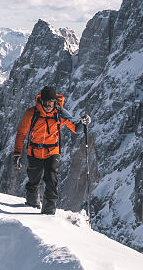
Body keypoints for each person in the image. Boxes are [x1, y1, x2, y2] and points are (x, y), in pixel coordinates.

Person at [12, 85, 91, 214]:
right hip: (34, 152)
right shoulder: (31, 113)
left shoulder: (60, 113)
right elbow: (21, 133)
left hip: (52, 152)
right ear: (41, 101)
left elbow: (75, 127)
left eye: (51, 103)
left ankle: (48, 214)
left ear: (55, 102)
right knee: (33, 180)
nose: (48, 106)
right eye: (46, 103)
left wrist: (84, 122)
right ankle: (32, 205)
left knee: (52, 180)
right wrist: (17, 153)